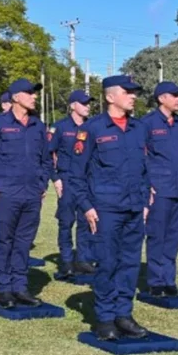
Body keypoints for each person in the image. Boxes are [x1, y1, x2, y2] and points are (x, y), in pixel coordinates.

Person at [67, 75, 150, 341]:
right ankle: (104, 318)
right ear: (110, 96)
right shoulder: (93, 129)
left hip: (134, 208)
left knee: (129, 264)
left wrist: (145, 199)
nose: (133, 96)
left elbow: (144, 167)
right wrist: (87, 206)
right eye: (127, 92)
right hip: (105, 209)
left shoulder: (139, 128)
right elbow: (76, 174)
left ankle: (123, 315)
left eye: (134, 93)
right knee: (107, 263)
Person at [0, 78, 50, 308]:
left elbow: (46, 159)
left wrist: (42, 185)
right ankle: (4, 288)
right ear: (16, 97)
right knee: (4, 240)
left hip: (31, 193)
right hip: (6, 192)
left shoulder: (38, 125)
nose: (34, 97)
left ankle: (20, 286)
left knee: (24, 241)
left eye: (35, 93)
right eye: (30, 93)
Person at [140, 81, 178, 297]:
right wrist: (147, 185)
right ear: (162, 98)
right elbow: (142, 157)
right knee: (157, 235)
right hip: (158, 188)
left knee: (173, 236)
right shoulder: (147, 124)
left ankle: (169, 279)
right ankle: (155, 280)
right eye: (175, 95)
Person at [47, 89, 96, 278]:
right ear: (73, 105)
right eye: (84, 103)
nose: (88, 106)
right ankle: (66, 260)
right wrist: (55, 178)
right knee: (66, 222)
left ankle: (83, 259)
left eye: (89, 103)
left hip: (87, 180)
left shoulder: (91, 127)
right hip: (67, 179)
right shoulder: (60, 127)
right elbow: (48, 153)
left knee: (86, 220)